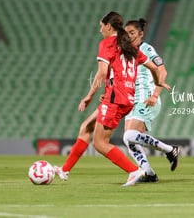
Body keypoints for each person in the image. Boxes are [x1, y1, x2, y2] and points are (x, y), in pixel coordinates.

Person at [55, 11, 171, 186]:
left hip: (116, 98)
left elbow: (102, 72)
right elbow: (155, 69)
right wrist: (158, 84)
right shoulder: (130, 47)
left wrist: (88, 96)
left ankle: (134, 171)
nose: (100, 30)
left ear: (109, 26)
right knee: (86, 126)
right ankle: (65, 170)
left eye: (101, 26)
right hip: (125, 98)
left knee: (100, 143)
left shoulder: (108, 43)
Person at [123, 18, 180, 182]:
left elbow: (162, 71)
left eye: (132, 33)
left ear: (141, 34)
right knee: (129, 139)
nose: (128, 36)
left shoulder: (147, 49)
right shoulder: (126, 53)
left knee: (129, 136)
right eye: (125, 33)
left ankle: (169, 150)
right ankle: (148, 172)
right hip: (132, 101)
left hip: (146, 97)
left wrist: (155, 94)